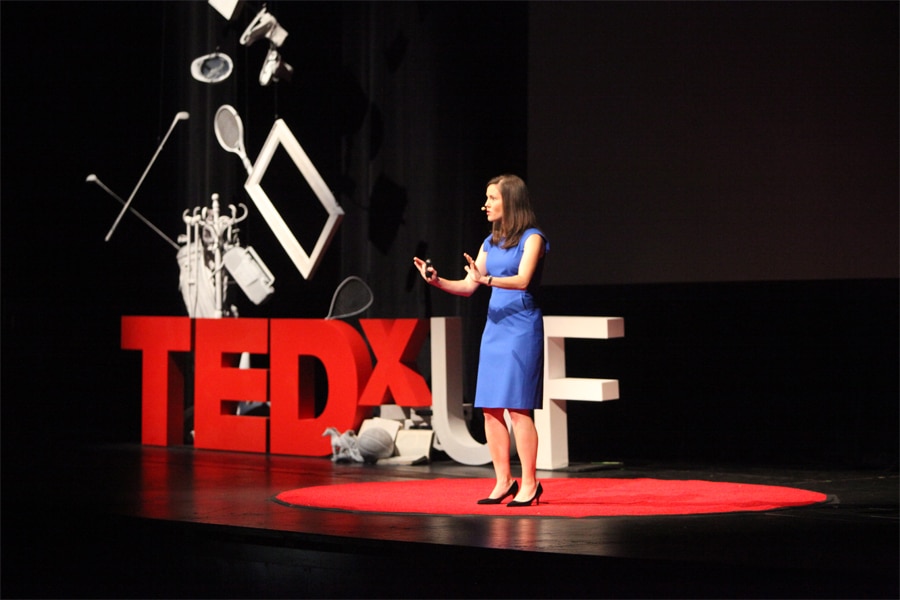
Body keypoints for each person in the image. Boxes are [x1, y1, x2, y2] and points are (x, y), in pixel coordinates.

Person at [413, 174, 548, 507]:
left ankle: (530, 484)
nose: (485, 204)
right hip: (495, 329)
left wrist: (486, 278)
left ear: (510, 202)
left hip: (520, 328)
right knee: (490, 409)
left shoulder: (532, 238)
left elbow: (522, 280)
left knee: (519, 409)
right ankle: (503, 481)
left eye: (492, 198)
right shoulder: (490, 241)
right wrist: (437, 281)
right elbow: (469, 285)